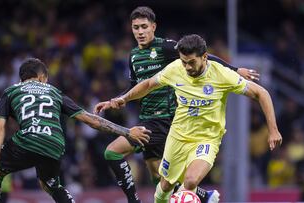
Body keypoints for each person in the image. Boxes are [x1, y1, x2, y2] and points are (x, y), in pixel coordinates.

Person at [93, 6, 260, 203]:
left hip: (166, 119)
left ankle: (134, 200)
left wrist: (234, 69)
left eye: (144, 27)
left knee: (112, 152)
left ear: (153, 27)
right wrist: (117, 100)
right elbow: (136, 87)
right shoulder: (133, 56)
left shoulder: (165, 47)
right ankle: (203, 196)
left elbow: (201, 56)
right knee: (161, 180)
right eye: (136, 27)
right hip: (147, 118)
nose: (140, 32)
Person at [108, 34, 283, 203]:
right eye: (184, 62)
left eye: (191, 62)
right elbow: (147, 85)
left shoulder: (222, 75)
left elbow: (262, 93)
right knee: (165, 185)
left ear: (205, 57)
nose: (188, 67)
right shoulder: (176, 68)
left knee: (190, 182)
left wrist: (273, 130)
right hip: (178, 136)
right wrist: (124, 98)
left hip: (206, 139)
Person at [0, 58, 151, 203]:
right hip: (55, 144)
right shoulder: (55, 92)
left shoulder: (11, 91)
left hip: (28, 140)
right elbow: (90, 120)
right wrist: (127, 132)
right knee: (51, 185)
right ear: (42, 77)